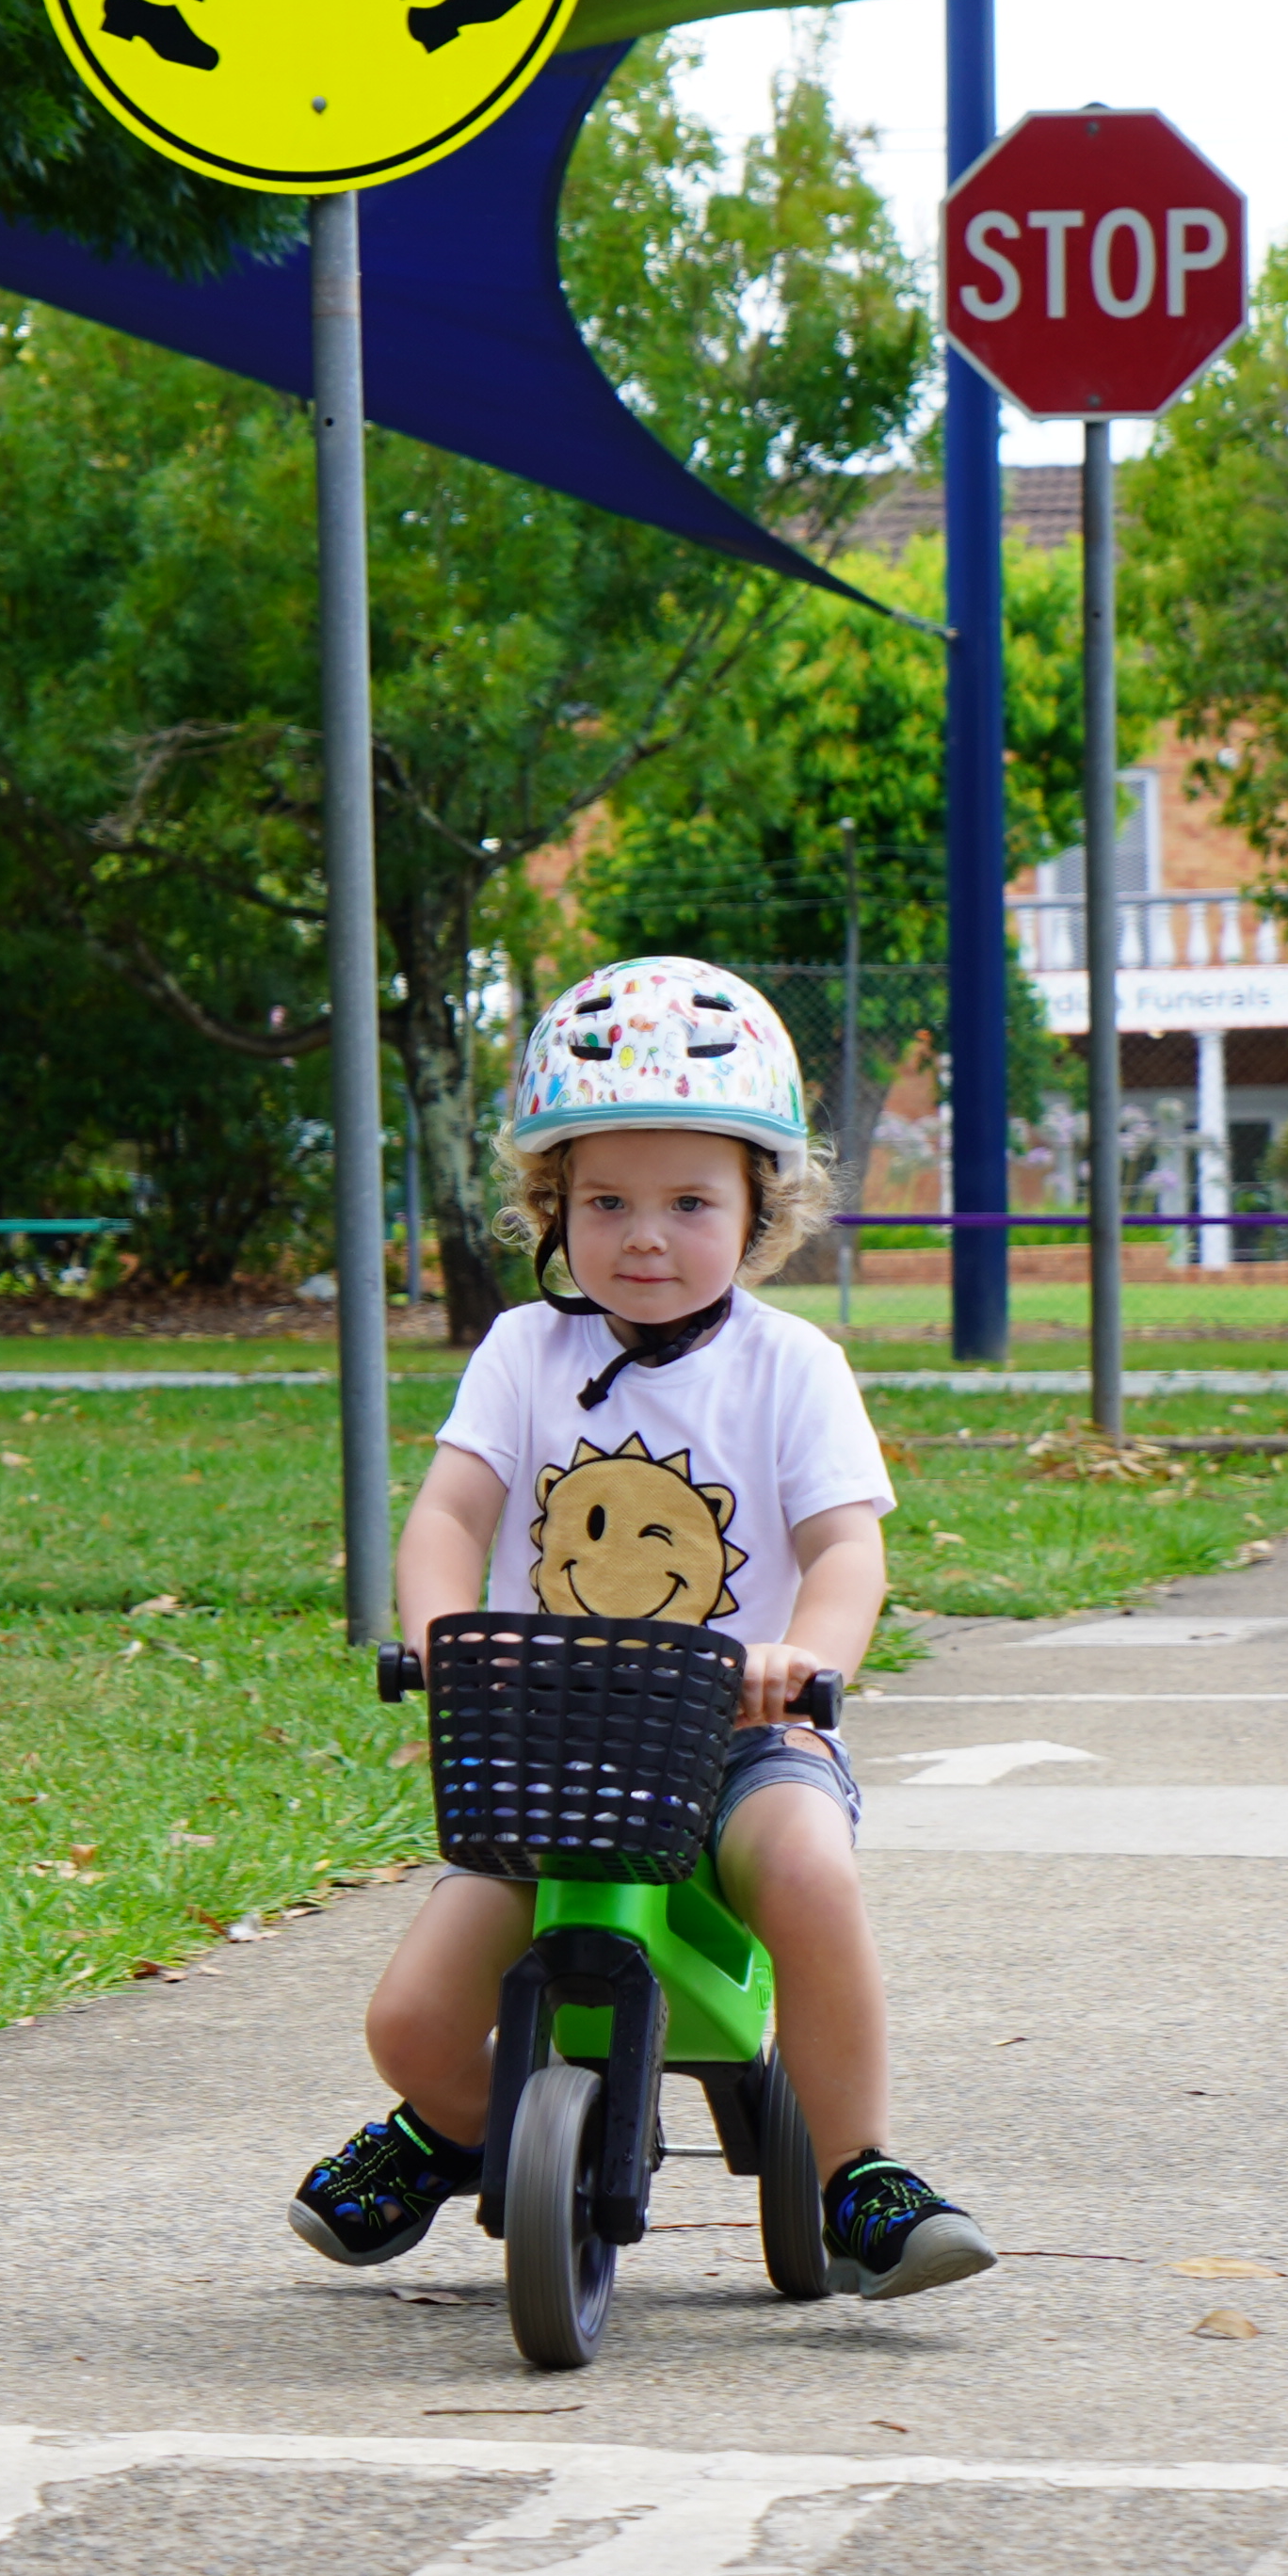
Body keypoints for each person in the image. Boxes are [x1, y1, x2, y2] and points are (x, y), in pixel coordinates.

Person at [287, 953, 999, 2303]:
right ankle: (450, 2128)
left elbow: (847, 1548)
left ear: (760, 1208)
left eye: (689, 1201)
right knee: (415, 2009)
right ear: (554, 1207)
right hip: (553, 1747)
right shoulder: (523, 1355)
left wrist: (806, 1664)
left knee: (805, 1870)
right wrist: (443, 1633)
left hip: (739, 1739)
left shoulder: (793, 1367)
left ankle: (859, 2172)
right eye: (605, 1201)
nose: (646, 1237)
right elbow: (447, 1516)